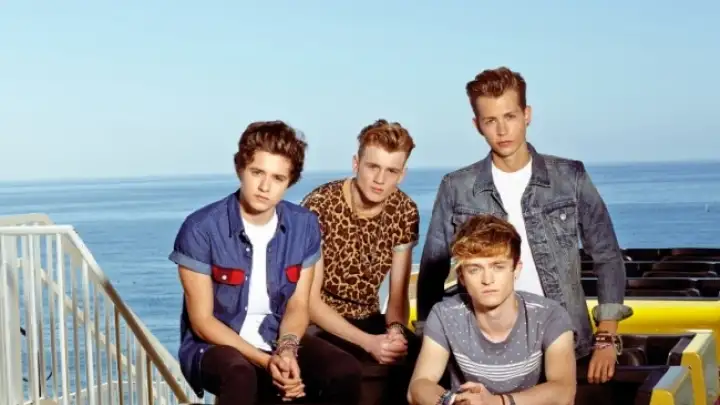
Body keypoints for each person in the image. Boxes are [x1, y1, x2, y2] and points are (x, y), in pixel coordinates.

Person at [416, 66, 631, 385]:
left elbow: (607, 255)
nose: (502, 130)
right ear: (477, 125)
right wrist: (427, 338)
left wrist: (606, 338)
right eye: (491, 120)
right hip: (482, 357)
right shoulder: (456, 187)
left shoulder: (569, 177)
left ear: (527, 114)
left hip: (564, 343)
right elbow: (432, 271)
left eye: (510, 116)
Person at [169, 121, 362, 405]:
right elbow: (202, 323)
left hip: (277, 336)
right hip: (215, 345)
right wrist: (265, 361)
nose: (264, 187)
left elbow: (298, 305)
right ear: (240, 169)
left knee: (344, 370)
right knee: (240, 375)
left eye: (278, 178)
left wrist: (287, 350)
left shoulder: (304, 226)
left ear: (289, 182)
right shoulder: (201, 228)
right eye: (257, 172)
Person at [301, 119, 420, 404]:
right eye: (372, 167)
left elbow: (397, 297)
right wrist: (369, 343)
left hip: (369, 317)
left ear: (402, 174)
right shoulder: (319, 206)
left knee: (424, 355)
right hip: (318, 322)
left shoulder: (405, 211)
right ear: (356, 164)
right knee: (346, 370)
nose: (380, 179)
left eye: (391, 171)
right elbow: (309, 302)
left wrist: (395, 332)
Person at [408, 214, 577, 405]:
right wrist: (452, 402)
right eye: (474, 269)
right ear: (461, 276)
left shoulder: (550, 315)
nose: (487, 280)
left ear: (516, 269)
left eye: (498, 267)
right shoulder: (445, 315)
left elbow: (564, 392)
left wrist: (497, 402)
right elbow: (418, 386)